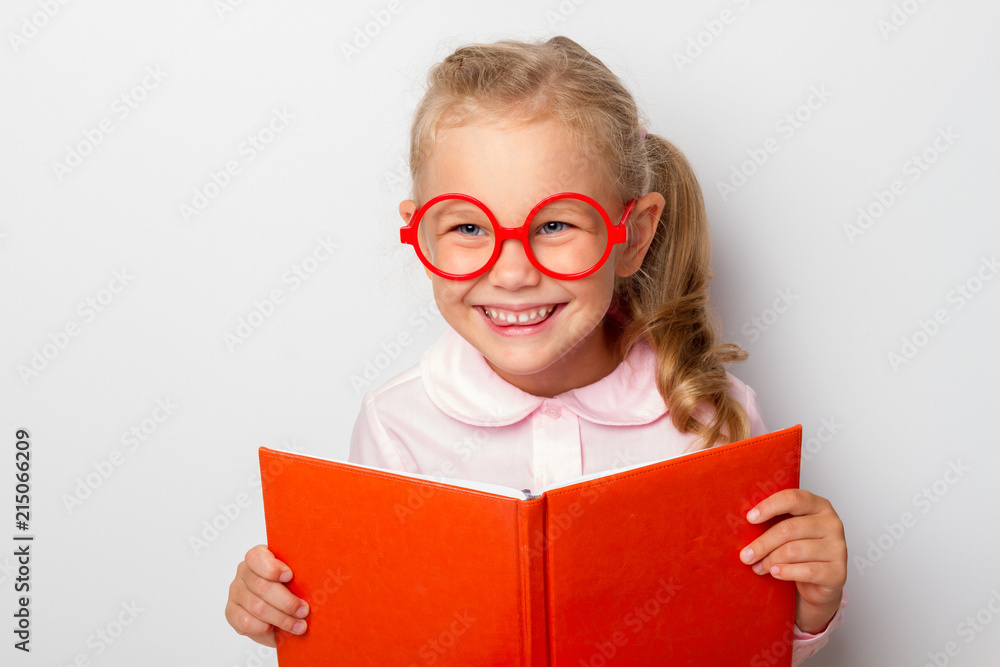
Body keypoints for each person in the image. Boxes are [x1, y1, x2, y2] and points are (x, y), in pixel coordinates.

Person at [225, 35, 848, 664]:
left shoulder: (713, 417)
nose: (513, 270)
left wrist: (807, 610)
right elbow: (381, 640)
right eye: (468, 227)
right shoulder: (395, 427)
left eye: (554, 225)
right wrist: (294, 612)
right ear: (420, 235)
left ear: (631, 236)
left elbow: (733, 644)